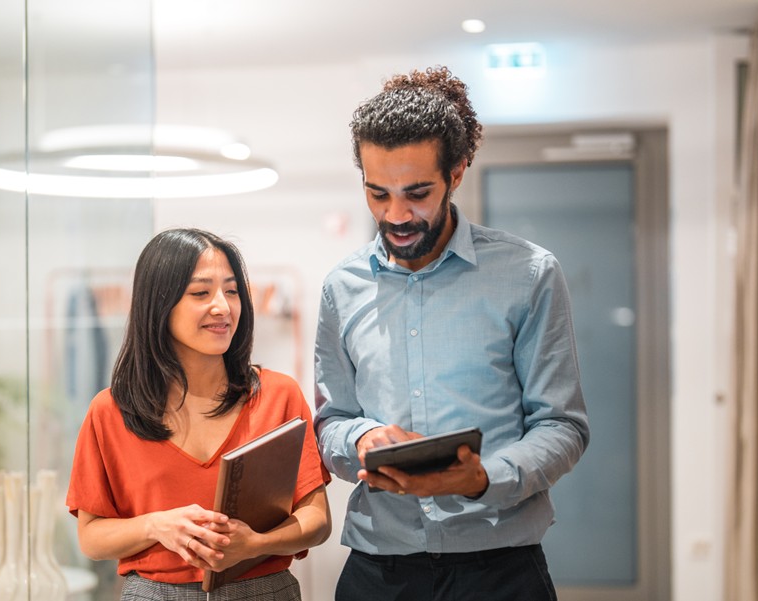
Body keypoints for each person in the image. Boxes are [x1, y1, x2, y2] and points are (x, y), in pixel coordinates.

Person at [313, 66, 590, 601]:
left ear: (457, 172)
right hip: (379, 570)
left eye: (417, 193)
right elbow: (332, 422)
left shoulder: (529, 274)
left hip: (500, 570)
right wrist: (361, 440)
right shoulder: (341, 288)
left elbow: (562, 426)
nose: (396, 215)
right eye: (377, 194)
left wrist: (482, 478)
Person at [67, 228, 332, 600]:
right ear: (159, 303)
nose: (222, 307)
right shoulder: (111, 411)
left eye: (232, 291)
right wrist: (156, 526)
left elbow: (317, 520)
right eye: (200, 293)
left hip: (264, 590)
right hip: (154, 593)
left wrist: (255, 544)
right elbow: (91, 537)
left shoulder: (278, 395)